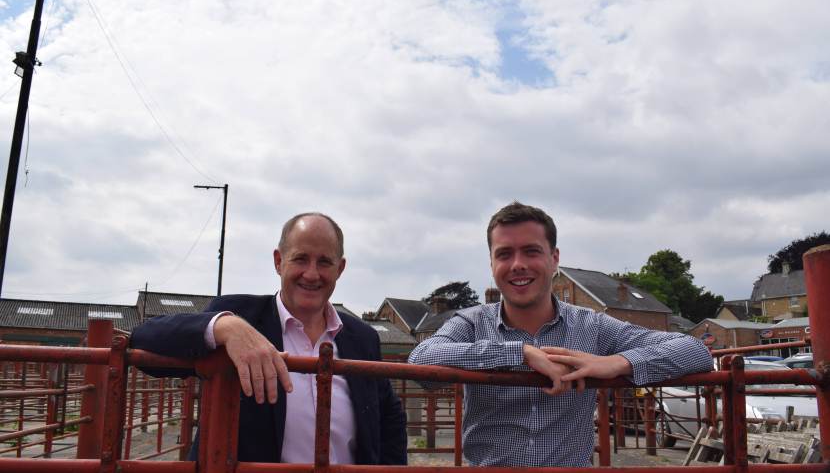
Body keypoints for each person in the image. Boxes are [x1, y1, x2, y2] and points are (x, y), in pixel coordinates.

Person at [408, 201, 712, 467]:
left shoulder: (592, 325)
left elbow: (695, 350)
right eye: (504, 254)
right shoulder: (471, 322)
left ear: (554, 259)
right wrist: (519, 353)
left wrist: (616, 363)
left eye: (531, 251)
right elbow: (421, 359)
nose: (517, 264)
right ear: (491, 264)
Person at [131, 212, 408, 465]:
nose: (312, 274)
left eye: (324, 261)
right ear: (278, 261)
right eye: (300, 258)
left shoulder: (363, 338)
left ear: (340, 268)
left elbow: (389, 417)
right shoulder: (238, 315)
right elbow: (142, 341)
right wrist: (225, 327)